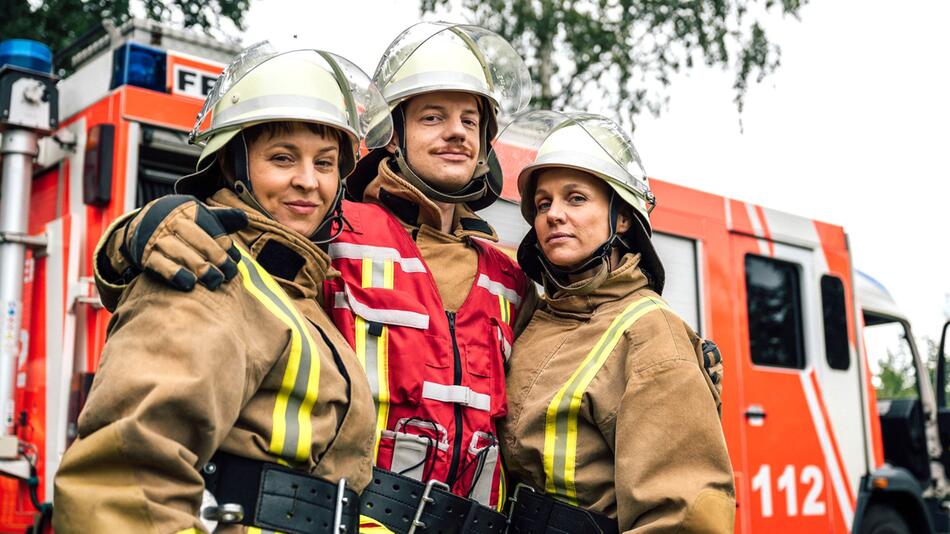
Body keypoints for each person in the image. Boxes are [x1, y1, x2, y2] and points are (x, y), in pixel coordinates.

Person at [89, 23, 536, 532]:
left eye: (469, 119)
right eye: (432, 116)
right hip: (358, 511)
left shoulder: (511, 276)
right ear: (392, 136)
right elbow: (234, 248)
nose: (456, 131)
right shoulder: (330, 232)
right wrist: (132, 236)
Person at [53, 45, 393, 533]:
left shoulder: (294, 293)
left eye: (325, 163)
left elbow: (318, 485)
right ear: (234, 165)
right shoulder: (204, 273)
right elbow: (124, 487)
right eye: (282, 158)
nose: (308, 181)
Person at [494, 111, 735, 533]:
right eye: (543, 203)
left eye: (576, 198)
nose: (553, 214)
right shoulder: (533, 319)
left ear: (621, 218)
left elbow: (684, 518)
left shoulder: (651, 334)